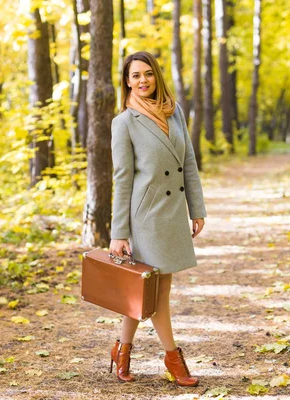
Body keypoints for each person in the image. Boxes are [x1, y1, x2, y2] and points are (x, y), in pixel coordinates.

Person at [108, 50, 207, 387]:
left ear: (157, 76)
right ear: (127, 81)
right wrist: (118, 231)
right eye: (135, 75)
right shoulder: (123, 123)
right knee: (158, 292)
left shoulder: (173, 111)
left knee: (145, 292)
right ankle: (174, 358)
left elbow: (188, 163)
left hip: (173, 212)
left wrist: (197, 208)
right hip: (145, 216)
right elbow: (122, 179)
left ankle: (121, 349)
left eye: (148, 74)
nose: (142, 81)